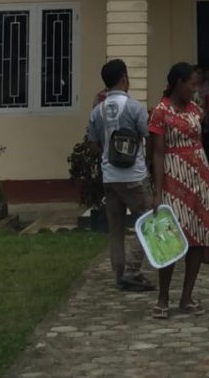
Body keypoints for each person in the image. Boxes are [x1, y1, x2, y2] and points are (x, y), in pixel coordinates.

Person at [148, 63, 209, 319]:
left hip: (198, 176)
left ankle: (187, 296)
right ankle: (162, 298)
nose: (195, 89)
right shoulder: (160, 112)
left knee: (198, 238)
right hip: (173, 176)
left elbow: (199, 142)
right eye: (191, 84)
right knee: (170, 239)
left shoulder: (195, 110)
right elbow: (157, 154)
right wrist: (157, 191)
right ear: (177, 83)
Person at [85, 58, 153, 292]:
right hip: (134, 176)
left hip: (109, 177)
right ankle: (133, 270)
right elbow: (148, 135)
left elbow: (93, 144)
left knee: (115, 227)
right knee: (148, 220)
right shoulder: (135, 107)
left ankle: (119, 272)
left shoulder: (97, 111)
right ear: (124, 77)